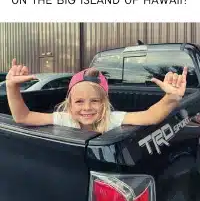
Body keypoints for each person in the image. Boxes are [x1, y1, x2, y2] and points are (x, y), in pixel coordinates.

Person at [6, 59, 187, 133]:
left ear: (105, 103)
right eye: (79, 101)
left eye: (95, 101)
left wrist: (171, 97)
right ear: (69, 105)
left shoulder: (112, 119)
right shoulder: (64, 118)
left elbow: (150, 116)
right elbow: (23, 116)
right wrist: (12, 87)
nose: (86, 108)